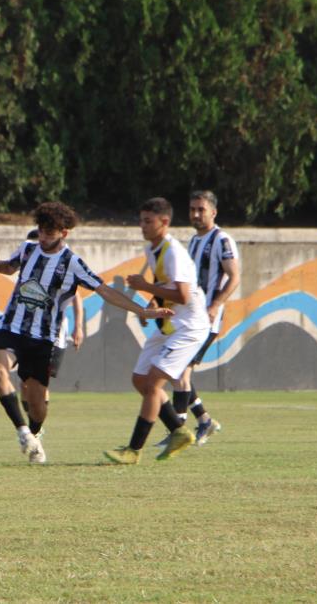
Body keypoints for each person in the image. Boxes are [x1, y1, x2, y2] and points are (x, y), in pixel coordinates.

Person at [0, 202, 167, 464]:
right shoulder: (28, 249)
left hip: (44, 339)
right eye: (40, 231)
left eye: (49, 232)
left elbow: (104, 291)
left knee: (38, 406)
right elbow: (8, 266)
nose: (43, 237)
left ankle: (34, 433)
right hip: (12, 328)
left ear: (64, 233)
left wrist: (141, 311)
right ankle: (23, 432)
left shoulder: (73, 263)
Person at [104, 197, 210, 465]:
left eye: (148, 221)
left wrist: (145, 287)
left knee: (152, 384)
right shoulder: (154, 249)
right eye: (141, 220)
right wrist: (151, 305)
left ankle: (133, 450)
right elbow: (166, 285)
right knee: (140, 380)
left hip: (188, 327)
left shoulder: (174, 251)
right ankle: (179, 431)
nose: (142, 226)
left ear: (165, 222)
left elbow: (184, 295)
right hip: (168, 323)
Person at [157, 190, 239, 448]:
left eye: (200, 209)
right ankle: (204, 421)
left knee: (180, 372)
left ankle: (177, 431)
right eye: (192, 209)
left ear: (213, 212)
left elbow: (234, 277)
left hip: (207, 320)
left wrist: (215, 305)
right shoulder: (193, 241)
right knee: (179, 373)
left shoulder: (222, 240)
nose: (195, 214)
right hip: (189, 317)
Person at [17, 229, 84, 423]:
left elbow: (76, 295)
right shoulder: (28, 266)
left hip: (53, 334)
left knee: (40, 385)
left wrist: (78, 327)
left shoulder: (61, 265)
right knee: (24, 384)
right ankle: (33, 426)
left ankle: (35, 430)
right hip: (28, 332)